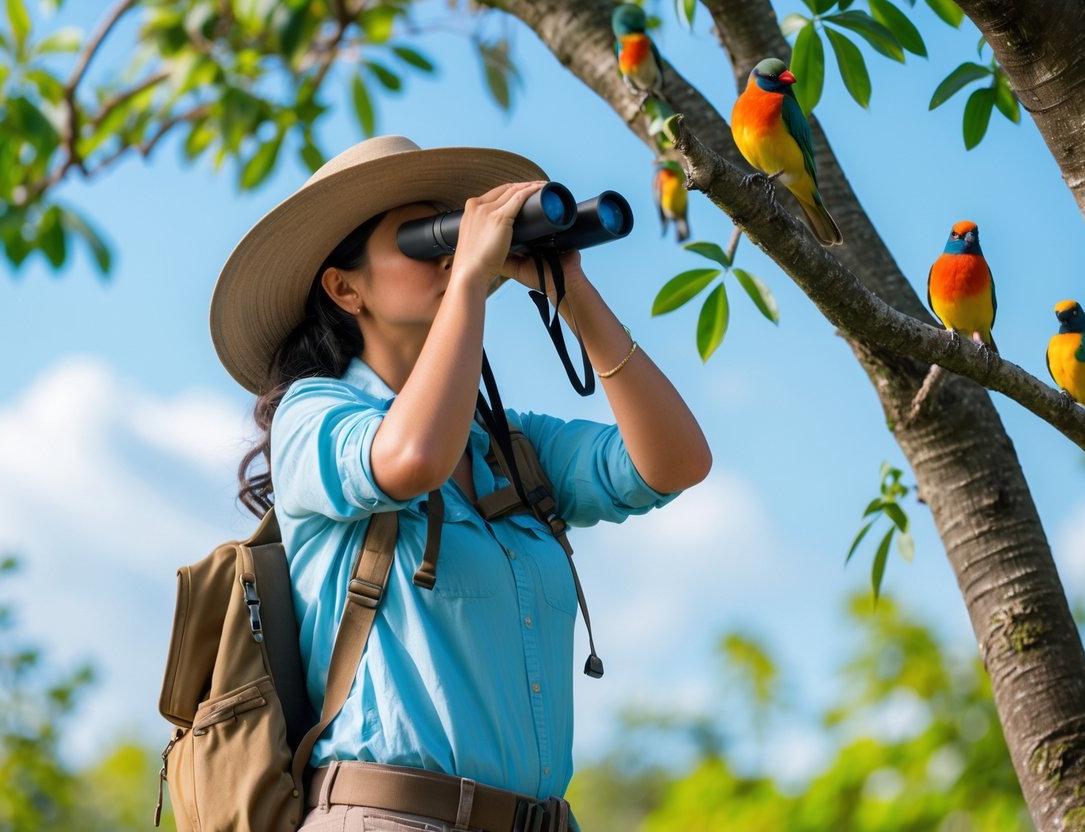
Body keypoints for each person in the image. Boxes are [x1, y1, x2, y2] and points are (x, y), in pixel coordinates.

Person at [210, 135, 711, 832]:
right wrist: (471, 280)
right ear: (344, 287)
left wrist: (575, 294)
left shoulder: (509, 446)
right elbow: (411, 458)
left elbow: (676, 462)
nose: (447, 254)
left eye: (448, 235)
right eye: (421, 241)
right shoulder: (315, 415)